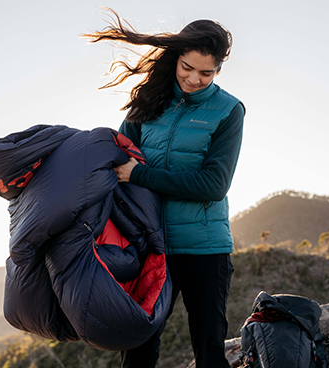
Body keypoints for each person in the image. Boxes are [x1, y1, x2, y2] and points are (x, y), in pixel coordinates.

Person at [82, 10, 245, 368]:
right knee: (139, 349)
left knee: (209, 352)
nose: (194, 79)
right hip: (152, 246)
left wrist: (141, 175)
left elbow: (213, 185)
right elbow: (118, 159)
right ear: (175, 58)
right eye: (187, 67)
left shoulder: (228, 111)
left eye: (207, 72)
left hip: (206, 250)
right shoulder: (148, 101)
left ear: (219, 69)